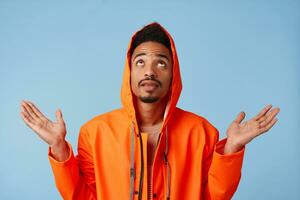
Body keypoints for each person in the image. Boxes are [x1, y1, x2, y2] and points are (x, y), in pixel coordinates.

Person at [20, 22, 280, 200]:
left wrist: (231, 148)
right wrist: (59, 148)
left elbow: (213, 197)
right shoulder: (95, 132)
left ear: (173, 74)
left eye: (161, 63)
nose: (149, 71)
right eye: (140, 61)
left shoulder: (201, 132)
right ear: (129, 71)